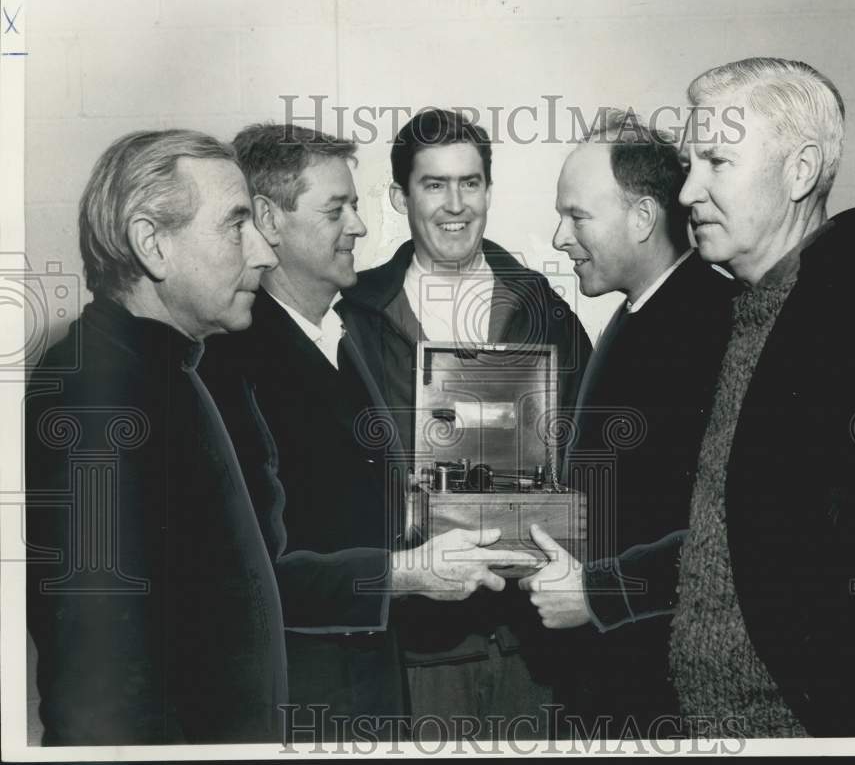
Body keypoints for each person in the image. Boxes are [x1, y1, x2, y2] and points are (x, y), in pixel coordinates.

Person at [529, 57, 855, 738]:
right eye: (692, 164)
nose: (688, 192)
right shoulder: (753, 308)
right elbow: (733, 540)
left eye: (716, 162)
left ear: (799, 172)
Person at [202, 123, 537, 742]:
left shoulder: (339, 336)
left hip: (374, 687)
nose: (359, 227)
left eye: (355, 206)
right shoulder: (231, 361)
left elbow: (351, 503)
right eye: (337, 210)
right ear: (270, 222)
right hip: (304, 706)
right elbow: (251, 574)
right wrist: (408, 573)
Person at [25, 130, 288, 744]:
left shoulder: (164, 369)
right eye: (236, 224)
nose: (265, 252)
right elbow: (100, 696)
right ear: (152, 245)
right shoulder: (92, 398)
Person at [338, 108, 593, 739]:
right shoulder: (355, 317)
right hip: (420, 644)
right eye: (434, 184)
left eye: (471, 183)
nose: (456, 205)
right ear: (401, 196)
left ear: (488, 190)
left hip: (533, 641)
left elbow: (594, 448)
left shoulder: (542, 306)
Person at [522, 111, 735, 737]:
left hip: (661, 693)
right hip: (610, 674)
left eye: (577, 216)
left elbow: (720, 536)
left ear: (642, 219)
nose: (561, 237)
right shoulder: (638, 313)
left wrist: (594, 592)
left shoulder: (709, 323)